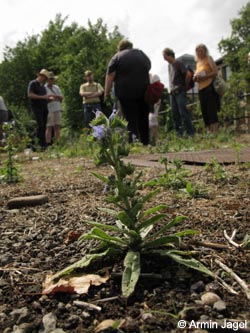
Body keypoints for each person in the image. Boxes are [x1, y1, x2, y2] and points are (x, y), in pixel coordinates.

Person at [105, 39, 151, 145]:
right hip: (143, 91)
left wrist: (107, 92)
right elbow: (148, 67)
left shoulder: (117, 57)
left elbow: (110, 75)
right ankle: (145, 141)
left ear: (120, 48)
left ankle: (133, 140)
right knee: (143, 116)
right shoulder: (142, 55)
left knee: (130, 117)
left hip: (125, 92)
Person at [162, 48, 195, 137]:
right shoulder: (169, 66)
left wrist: (185, 87)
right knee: (175, 114)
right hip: (172, 92)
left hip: (180, 91)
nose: (164, 59)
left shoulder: (178, 63)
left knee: (183, 112)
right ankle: (179, 134)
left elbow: (188, 74)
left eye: (165, 57)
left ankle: (190, 133)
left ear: (170, 55)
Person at [194, 44, 220, 134]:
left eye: (201, 50)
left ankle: (215, 131)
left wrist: (205, 77)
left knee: (211, 109)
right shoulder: (197, 63)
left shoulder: (209, 58)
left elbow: (215, 72)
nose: (199, 52)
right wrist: (196, 78)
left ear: (205, 51)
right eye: (198, 51)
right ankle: (209, 131)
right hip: (201, 88)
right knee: (204, 110)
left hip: (209, 86)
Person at [27, 69, 50, 150]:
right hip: (36, 107)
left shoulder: (43, 87)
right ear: (40, 75)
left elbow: (44, 97)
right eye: (44, 77)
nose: (44, 79)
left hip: (44, 108)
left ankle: (43, 144)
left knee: (43, 126)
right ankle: (34, 144)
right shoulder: (33, 83)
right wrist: (42, 97)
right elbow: (30, 95)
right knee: (40, 125)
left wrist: (48, 99)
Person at [45, 72, 63, 145]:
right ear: (47, 79)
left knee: (57, 126)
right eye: (50, 79)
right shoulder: (44, 88)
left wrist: (53, 97)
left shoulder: (56, 87)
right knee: (49, 126)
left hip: (57, 108)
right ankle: (48, 144)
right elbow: (46, 99)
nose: (52, 80)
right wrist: (55, 97)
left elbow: (61, 98)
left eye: (53, 79)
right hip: (49, 109)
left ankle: (57, 143)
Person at [148, 74, 162, 145]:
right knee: (149, 120)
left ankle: (155, 139)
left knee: (153, 118)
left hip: (154, 102)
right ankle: (151, 140)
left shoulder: (154, 76)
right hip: (146, 102)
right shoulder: (140, 77)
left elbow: (159, 89)